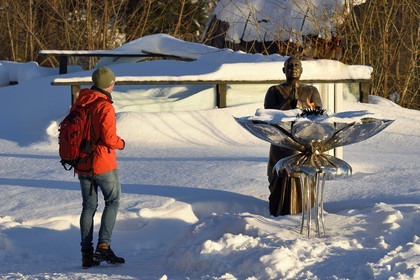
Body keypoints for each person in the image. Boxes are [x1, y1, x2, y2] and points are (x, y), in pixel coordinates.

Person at [72, 67, 126, 268]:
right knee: (113, 201)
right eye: (113, 81)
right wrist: (122, 143)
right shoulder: (105, 106)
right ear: (109, 84)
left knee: (88, 207)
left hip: (82, 162)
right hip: (102, 163)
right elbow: (109, 138)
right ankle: (103, 246)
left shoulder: (81, 101)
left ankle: (87, 254)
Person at [263, 56, 322, 216]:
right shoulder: (274, 90)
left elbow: (318, 113)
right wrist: (289, 102)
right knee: (281, 177)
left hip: (303, 143)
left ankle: (304, 212)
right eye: (290, 65)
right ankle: (279, 213)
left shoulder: (311, 90)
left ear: (301, 70)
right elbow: (268, 114)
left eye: (297, 65)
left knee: (302, 176)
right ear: (284, 70)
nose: (293, 68)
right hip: (280, 141)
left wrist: (301, 104)